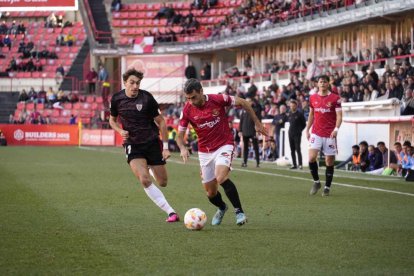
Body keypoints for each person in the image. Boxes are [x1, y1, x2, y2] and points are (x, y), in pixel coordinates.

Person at [176, 78, 268, 226]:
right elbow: (179, 136)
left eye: (194, 97)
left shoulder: (218, 99)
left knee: (221, 176)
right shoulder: (187, 110)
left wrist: (257, 122)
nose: (191, 101)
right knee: (211, 193)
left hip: (224, 144)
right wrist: (182, 147)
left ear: (201, 91)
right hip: (205, 151)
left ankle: (239, 212)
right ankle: (222, 207)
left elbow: (244, 102)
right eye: (188, 98)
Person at [109, 68, 179, 223]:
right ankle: (171, 212)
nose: (135, 86)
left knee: (163, 182)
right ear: (125, 82)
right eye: (132, 83)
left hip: (152, 142)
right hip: (133, 145)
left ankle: (151, 168)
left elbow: (161, 121)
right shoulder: (117, 99)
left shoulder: (147, 98)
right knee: (144, 180)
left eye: (138, 83)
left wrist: (166, 146)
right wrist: (120, 131)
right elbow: (112, 120)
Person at [306, 75, 342, 196]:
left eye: (325, 82)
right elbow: (311, 115)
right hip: (316, 132)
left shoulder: (335, 98)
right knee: (311, 158)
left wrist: (336, 129)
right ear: (317, 84)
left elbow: (339, 116)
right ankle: (316, 182)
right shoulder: (312, 98)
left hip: (330, 134)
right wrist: (307, 129)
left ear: (328, 84)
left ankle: (327, 187)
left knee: (329, 161)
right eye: (320, 82)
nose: (322, 84)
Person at [239, 97, 261, 168]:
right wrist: (240, 130)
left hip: (253, 131)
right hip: (245, 131)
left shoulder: (255, 110)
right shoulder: (243, 110)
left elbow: (258, 121)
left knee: (255, 147)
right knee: (245, 147)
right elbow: (241, 121)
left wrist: (258, 131)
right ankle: (244, 162)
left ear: (251, 102)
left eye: (248, 101)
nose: (247, 102)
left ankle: (258, 163)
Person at [287, 99, 306, 169]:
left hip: (297, 134)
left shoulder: (299, 114)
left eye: (293, 106)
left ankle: (300, 164)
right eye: (291, 106)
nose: (292, 107)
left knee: (298, 149)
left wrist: (299, 130)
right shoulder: (289, 113)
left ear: (296, 106)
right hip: (290, 133)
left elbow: (304, 124)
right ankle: (294, 164)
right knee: (292, 150)